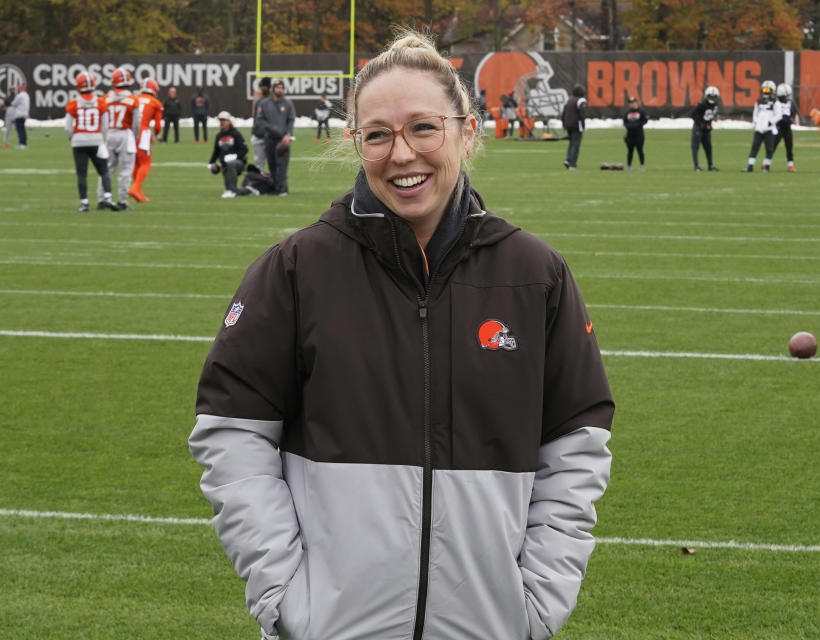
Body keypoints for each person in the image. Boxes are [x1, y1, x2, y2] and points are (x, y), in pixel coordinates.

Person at [188, 29, 614, 640]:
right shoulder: (296, 271)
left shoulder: (533, 276)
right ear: (354, 144)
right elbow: (233, 437)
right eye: (378, 135)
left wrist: (537, 604)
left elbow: (577, 443)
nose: (401, 154)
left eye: (423, 128)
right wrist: (286, 594)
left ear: (466, 133)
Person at [64, 71, 117, 212]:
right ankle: (108, 198)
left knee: (82, 174)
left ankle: (84, 203)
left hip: (79, 141)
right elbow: (106, 125)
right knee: (104, 171)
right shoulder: (100, 102)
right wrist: (101, 137)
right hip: (96, 140)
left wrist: (73, 138)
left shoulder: (73, 103)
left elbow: (67, 127)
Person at [98, 68, 140, 211]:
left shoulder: (105, 98)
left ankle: (102, 199)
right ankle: (122, 201)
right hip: (125, 134)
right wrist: (134, 137)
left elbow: (101, 118)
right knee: (126, 170)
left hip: (109, 134)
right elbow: (136, 123)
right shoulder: (133, 99)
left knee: (106, 168)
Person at [254, 79, 295, 196]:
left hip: (283, 140)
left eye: (282, 88)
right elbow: (259, 120)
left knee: (282, 164)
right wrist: (272, 129)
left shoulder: (288, 104)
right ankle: (277, 187)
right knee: (272, 164)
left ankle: (282, 189)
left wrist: (288, 134)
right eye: (278, 88)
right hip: (270, 138)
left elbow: (291, 120)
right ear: (273, 90)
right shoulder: (264, 104)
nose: (280, 90)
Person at [129, 78, 163, 203]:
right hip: (143, 132)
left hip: (131, 132)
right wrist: (157, 135)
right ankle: (135, 188)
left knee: (136, 163)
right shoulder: (156, 103)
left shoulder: (134, 99)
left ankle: (139, 192)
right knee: (145, 163)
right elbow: (158, 127)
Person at [208, 111, 249, 198]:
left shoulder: (236, 134)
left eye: (224, 120)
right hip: (225, 164)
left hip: (238, 163)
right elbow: (216, 151)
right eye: (220, 120)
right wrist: (211, 163)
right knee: (230, 188)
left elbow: (244, 149)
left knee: (231, 165)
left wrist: (234, 156)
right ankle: (248, 190)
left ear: (229, 121)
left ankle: (231, 191)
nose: (221, 122)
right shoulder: (219, 136)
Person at [742, 80, 777, 173]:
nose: (765, 92)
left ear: (772, 91)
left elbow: (778, 114)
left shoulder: (775, 102)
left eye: (767, 90)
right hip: (759, 129)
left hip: (769, 129)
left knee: (769, 149)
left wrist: (771, 122)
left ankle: (767, 166)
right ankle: (750, 166)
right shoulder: (759, 101)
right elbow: (755, 113)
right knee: (754, 147)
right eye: (764, 90)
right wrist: (757, 122)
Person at [692, 85, 720, 171]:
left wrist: (708, 124)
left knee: (708, 147)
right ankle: (696, 166)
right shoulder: (702, 104)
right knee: (695, 147)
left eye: (714, 96)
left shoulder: (715, 105)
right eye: (710, 96)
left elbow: (709, 117)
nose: (712, 98)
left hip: (706, 129)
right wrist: (701, 124)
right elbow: (693, 115)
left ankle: (710, 165)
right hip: (698, 128)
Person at [773, 82, 797, 172]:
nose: (787, 97)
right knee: (773, 146)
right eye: (786, 95)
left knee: (789, 147)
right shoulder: (776, 103)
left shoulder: (790, 103)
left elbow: (792, 113)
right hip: (778, 127)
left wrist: (790, 119)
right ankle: (766, 163)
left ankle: (790, 165)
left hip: (787, 128)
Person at [561, 83, 586, 170]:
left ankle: (568, 159)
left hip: (568, 124)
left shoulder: (569, 100)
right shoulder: (581, 101)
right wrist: (583, 126)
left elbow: (564, 113)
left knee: (571, 143)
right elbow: (581, 114)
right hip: (576, 125)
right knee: (576, 144)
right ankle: (573, 164)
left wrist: (563, 123)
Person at [250, 76, 271, 171]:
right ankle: (259, 183)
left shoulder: (274, 102)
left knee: (273, 163)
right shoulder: (259, 101)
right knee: (259, 164)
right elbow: (256, 119)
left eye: (263, 86)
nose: (261, 88)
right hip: (259, 135)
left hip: (270, 136)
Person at [622, 96, 648, 171]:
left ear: (636, 103)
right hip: (630, 134)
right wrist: (629, 126)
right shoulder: (628, 112)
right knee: (630, 151)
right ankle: (629, 166)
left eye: (633, 103)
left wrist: (637, 125)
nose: (632, 104)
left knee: (640, 150)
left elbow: (645, 120)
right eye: (630, 103)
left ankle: (642, 165)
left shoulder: (641, 111)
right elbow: (624, 122)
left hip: (639, 134)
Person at [11, 84, 30, 149]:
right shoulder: (27, 95)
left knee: (20, 130)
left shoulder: (20, 96)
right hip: (24, 114)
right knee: (22, 129)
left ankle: (21, 144)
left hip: (19, 114)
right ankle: (24, 143)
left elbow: (13, 103)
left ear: (20, 89)